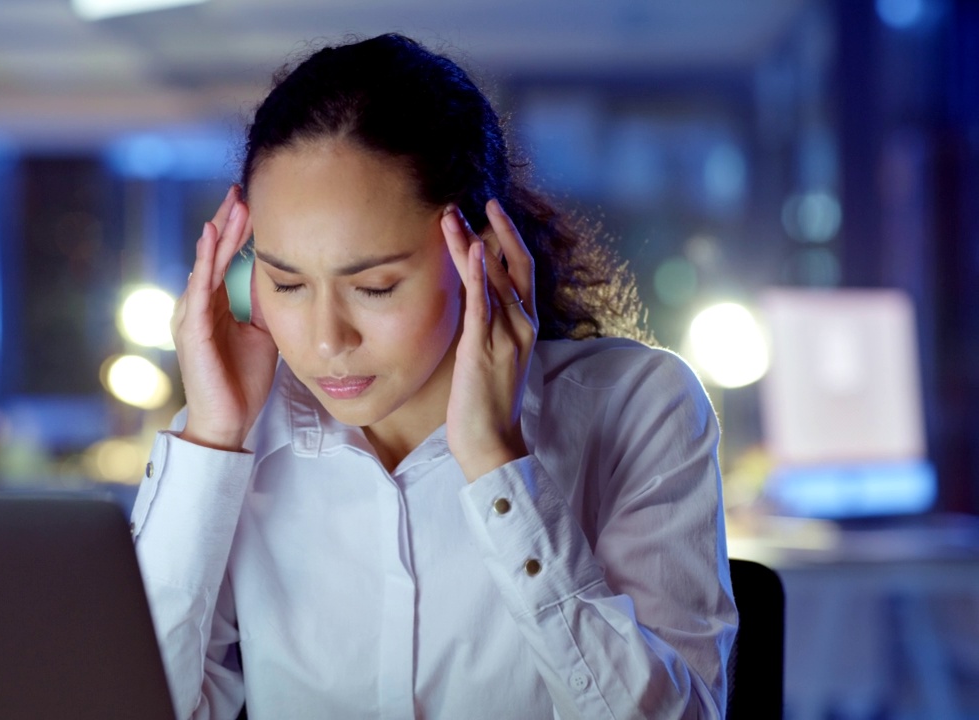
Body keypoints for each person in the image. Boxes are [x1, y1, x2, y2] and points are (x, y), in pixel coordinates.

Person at [130, 33, 737, 720]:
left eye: (377, 286)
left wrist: (496, 465)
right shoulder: (236, 432)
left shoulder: (637, 408)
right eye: (287, 283)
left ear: (485, 253)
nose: (329, 339)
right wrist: (210, 439)